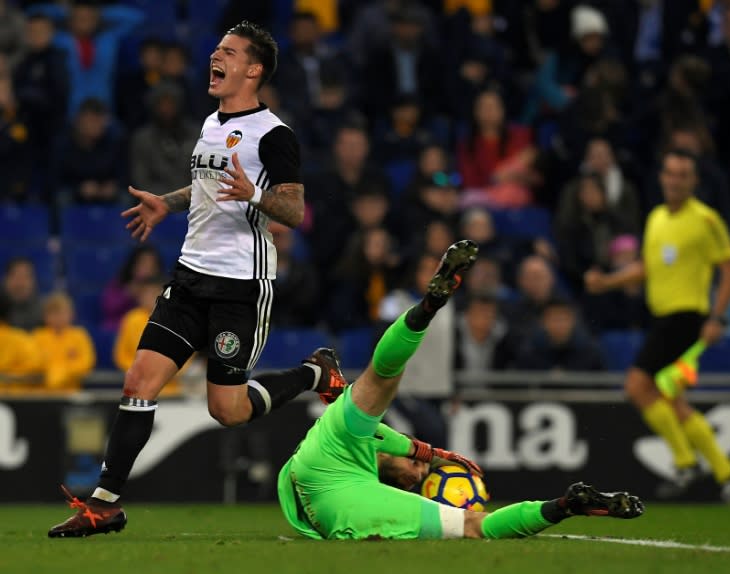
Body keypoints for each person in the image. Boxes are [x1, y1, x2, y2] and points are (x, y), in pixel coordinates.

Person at [48, 21, 345, 538]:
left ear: (253, 69)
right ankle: (104, 505)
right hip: (189, 277)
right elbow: (208, 184)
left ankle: (316, 374)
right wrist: (167, 202)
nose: (216, 55)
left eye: (228, 51)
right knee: (138, 381)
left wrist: (254, 193)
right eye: (216, 49)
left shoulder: (275, 134)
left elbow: (294, 210)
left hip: (240, 286)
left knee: (226, 410)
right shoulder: (211, 123)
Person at [278, 240, 644, 540]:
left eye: (419, 472)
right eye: (423, 470)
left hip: (326, 462)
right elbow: (390, 442)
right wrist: (430, 451)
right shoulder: (368, 489)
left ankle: (566, 505)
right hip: (339, 493)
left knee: (384, 374)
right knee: (383, 376)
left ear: (400, 485)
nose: (422, 470)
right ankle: (427, 306)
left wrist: (429, 452)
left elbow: (384, 439)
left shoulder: (364, 456)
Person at [584, 148, 730, 503]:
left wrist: (717, 317)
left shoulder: (706, 220)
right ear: (662, 177)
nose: (675, 180)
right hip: (662, 318)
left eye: (682, 174)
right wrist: (608, 282)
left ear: (693, 181)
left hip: (687, 318)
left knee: (637, 385)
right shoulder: (657, 217)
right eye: (670, 173)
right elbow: (647, 267)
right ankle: (728, 473)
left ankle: (685, 462)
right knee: (673, 401)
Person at [32, 292, 96, 392]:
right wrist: (54, 369)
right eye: (53, 313)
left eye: (62, 313)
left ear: (71, 315)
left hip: (72, 391)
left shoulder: (80, 335)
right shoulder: (38, 336)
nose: (58, 317)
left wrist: (64, 371)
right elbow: (34, 362)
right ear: (45, 316)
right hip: (43, 392)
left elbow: (87, 362)